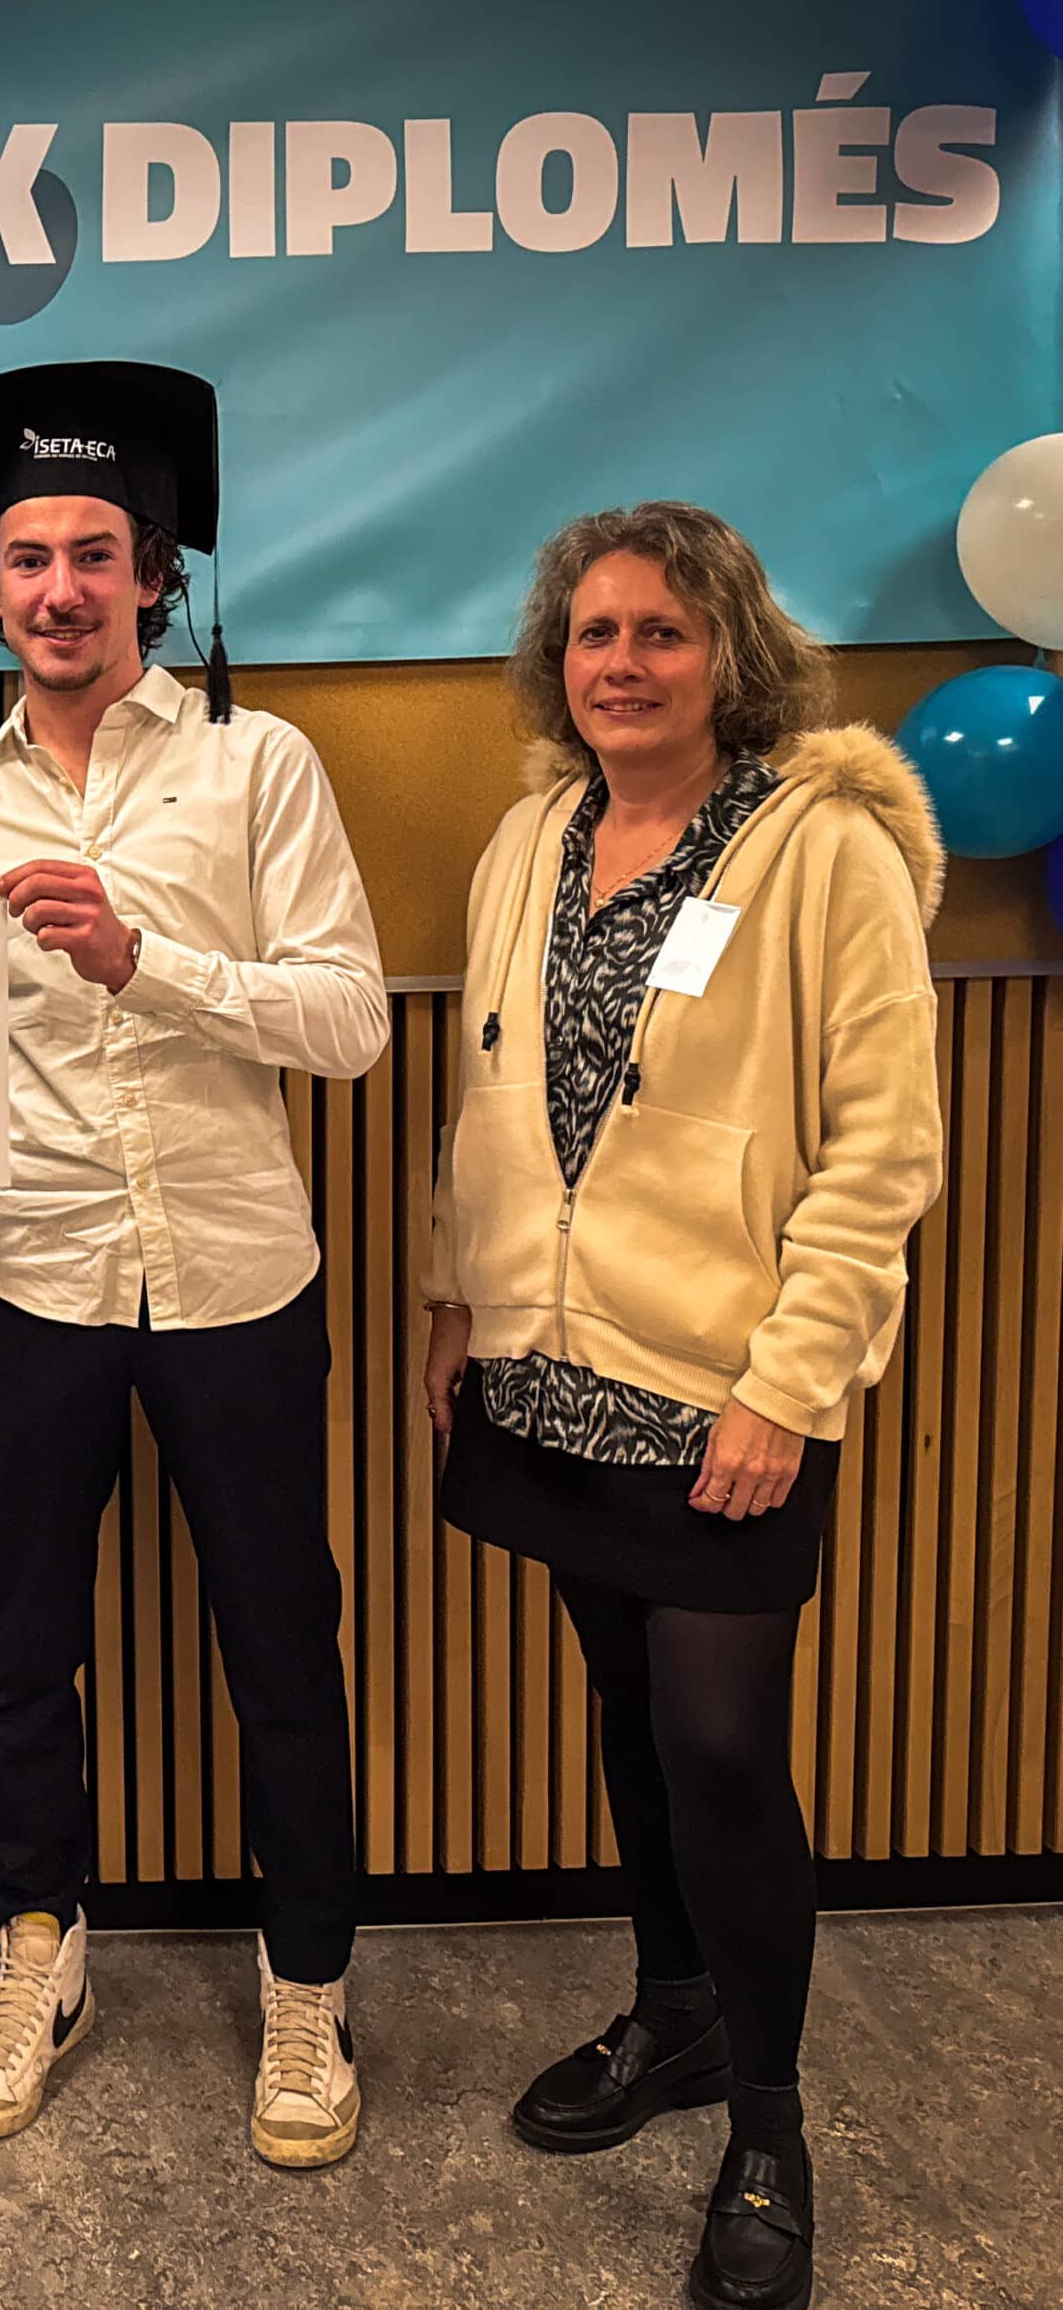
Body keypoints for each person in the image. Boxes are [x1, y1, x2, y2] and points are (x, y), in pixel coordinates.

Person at [422, 502, 943, 2310]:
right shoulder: (531, 837)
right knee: (627, 1711)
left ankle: (771, 2125)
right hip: (549, 1362)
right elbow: (487, 1094)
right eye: (594, 632)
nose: (622, 663)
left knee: (721, 1745)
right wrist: (457, 1295)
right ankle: (673, 2011)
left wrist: (791, 1386)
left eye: (662, 630)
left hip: (727, 1384)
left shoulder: (824, 848)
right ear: (554, 658)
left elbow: (882, 1153)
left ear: (734, 652)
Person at [0, 361, 388, 2164]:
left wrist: (141, 960)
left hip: (237, 1276)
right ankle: (41, 1948)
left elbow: (350, 1023)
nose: (60, 591)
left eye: (95, 554)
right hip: (31, 1276)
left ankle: (309, 1985)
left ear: (155, 576)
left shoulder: (262, 767)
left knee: (283, 1638)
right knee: (21, 1636)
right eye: (27, 559)